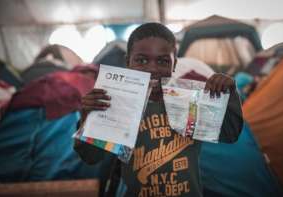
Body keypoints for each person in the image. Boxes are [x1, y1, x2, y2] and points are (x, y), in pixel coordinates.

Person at [74, 22, 243, 197]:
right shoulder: (118, 106)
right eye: (142, 60)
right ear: (127, 62)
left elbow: (230, 134)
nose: (152, 69)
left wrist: (229, 93)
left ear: (174, 64)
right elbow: (90, 157)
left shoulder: (189, 102)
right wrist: (87, 117)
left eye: (162, 61)